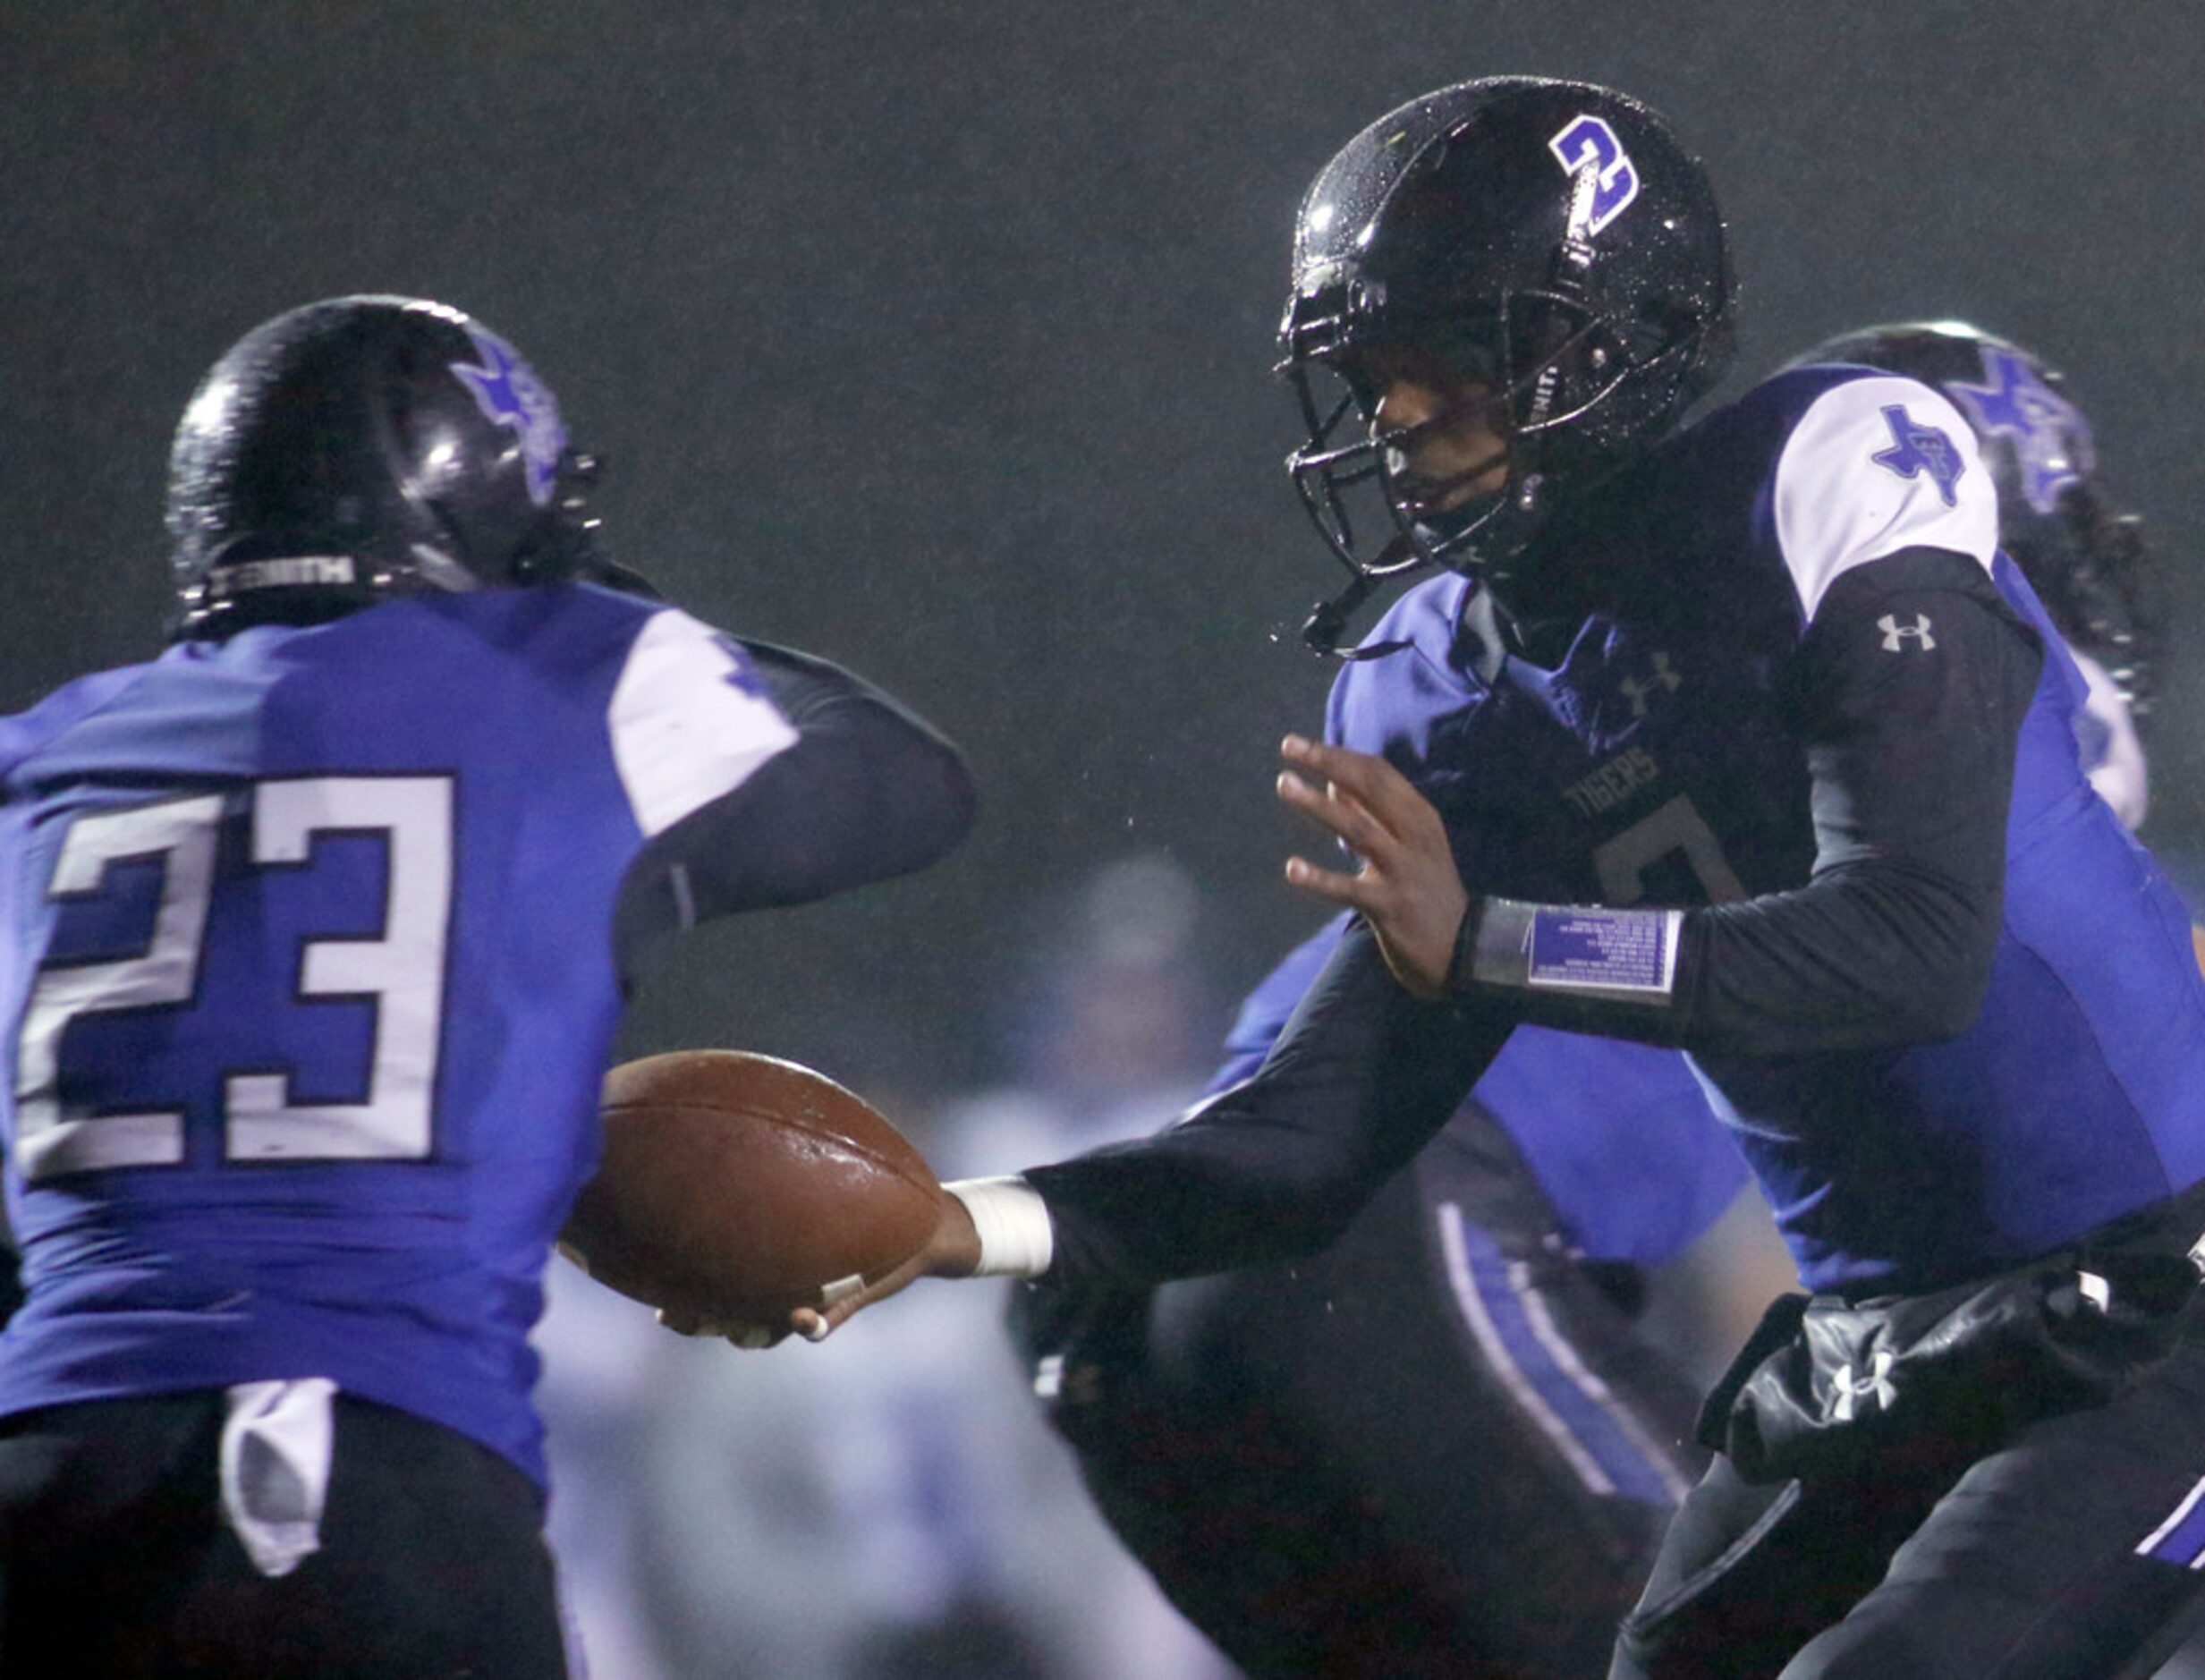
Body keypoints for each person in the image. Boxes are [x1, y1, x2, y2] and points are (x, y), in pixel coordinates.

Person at [805, 76, 2205, 1676]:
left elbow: (1915, 945)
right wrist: (954, 1222)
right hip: (1868, 1347)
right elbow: (1310, 1138)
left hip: (2154, 1302)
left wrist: (1487, 942)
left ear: (1611, 335)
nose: (1397, 416)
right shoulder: (1440, 679)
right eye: (1375, 373)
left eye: (1448, 360)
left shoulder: (1828, 469)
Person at [0, 294, 975, 1677]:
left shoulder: (40, 759)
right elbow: (906, 785)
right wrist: (606, 607)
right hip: (364, 1478)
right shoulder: (572, 686)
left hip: (48, 1484)